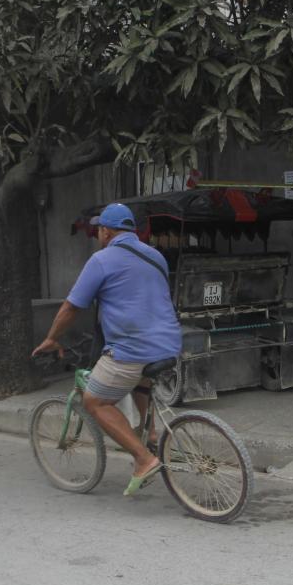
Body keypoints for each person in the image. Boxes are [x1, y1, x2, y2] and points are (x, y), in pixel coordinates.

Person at [32, 203, 181, 495]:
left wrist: (52, 337)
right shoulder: (155, 256)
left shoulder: (101, 260)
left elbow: (72, 306)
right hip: (168, 343)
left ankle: (144, 458)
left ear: (105, 231)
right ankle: (149, 432)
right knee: (140, 379)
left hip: (131, 346)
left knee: (95, 401)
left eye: (99, 229)